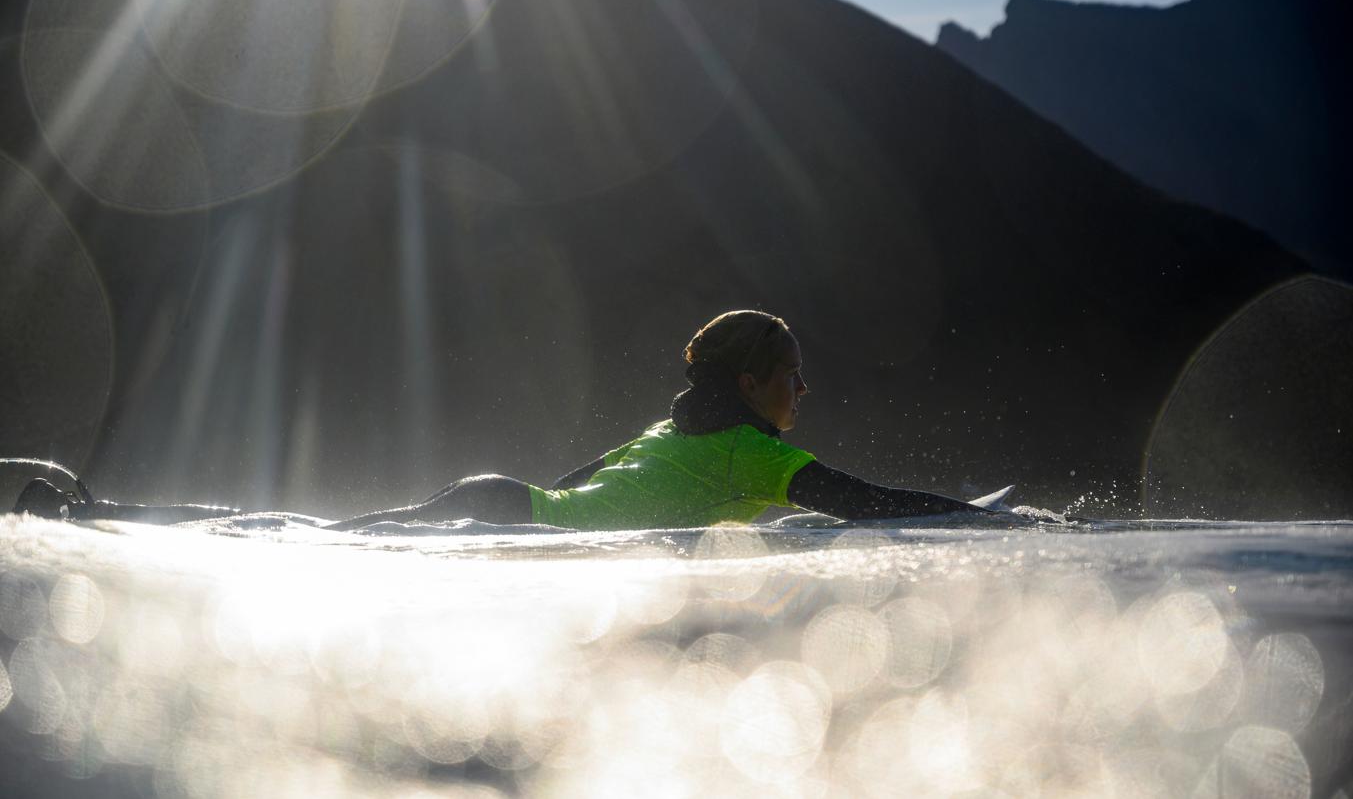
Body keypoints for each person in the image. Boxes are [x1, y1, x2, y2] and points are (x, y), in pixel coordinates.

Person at [11, 311, 994, 530]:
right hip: (506, 520)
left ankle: (101, 510)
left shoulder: (673, 433)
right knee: (310, 539)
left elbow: (582, 489)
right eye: (791, 378)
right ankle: (97, 511)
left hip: (504, 501)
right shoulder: (750, 455)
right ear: (751, 386)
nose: (801, 396)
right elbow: (865, 503)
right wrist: (987, 519)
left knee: (309, 536)